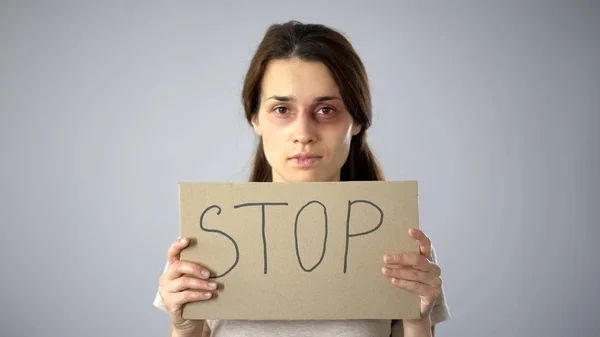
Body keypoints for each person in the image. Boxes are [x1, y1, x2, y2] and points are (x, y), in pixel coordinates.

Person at [153, 20, 451, 337]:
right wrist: (183, 325)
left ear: (357, 120)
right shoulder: (208, 239)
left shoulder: (400, 241)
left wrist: (418, 320)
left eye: (325, 110)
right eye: (282, 109)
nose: (303, 134)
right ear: (255, 117)